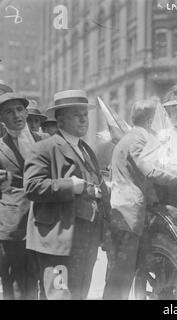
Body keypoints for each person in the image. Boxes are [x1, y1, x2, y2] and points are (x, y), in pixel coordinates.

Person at [103, 100, 177, 300]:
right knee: (122, 275)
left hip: (126, 212)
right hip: (129, 214)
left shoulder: (131, 137)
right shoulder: (137, 139)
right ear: (151, 119)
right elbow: (151, 170)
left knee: (123, 271)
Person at [24, 90, 111, 299]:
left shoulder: (86, 149)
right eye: (76, 114)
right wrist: (70, 186)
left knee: (79, 294)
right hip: (57, 242)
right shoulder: (44, 148)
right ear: (60, 119)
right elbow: (32, 187)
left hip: (85, 240)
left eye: (85, 114)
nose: (83, 119)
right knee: (59, 295)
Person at [0, 92, 43, 300]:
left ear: (26, 113)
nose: (16, 115)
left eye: (19, 110)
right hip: (14, 226)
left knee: (44, 280)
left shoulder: (45, 141)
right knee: (15, 283)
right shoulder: (0, 147)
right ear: (1, 118)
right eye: (9, 112)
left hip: (45, 222)